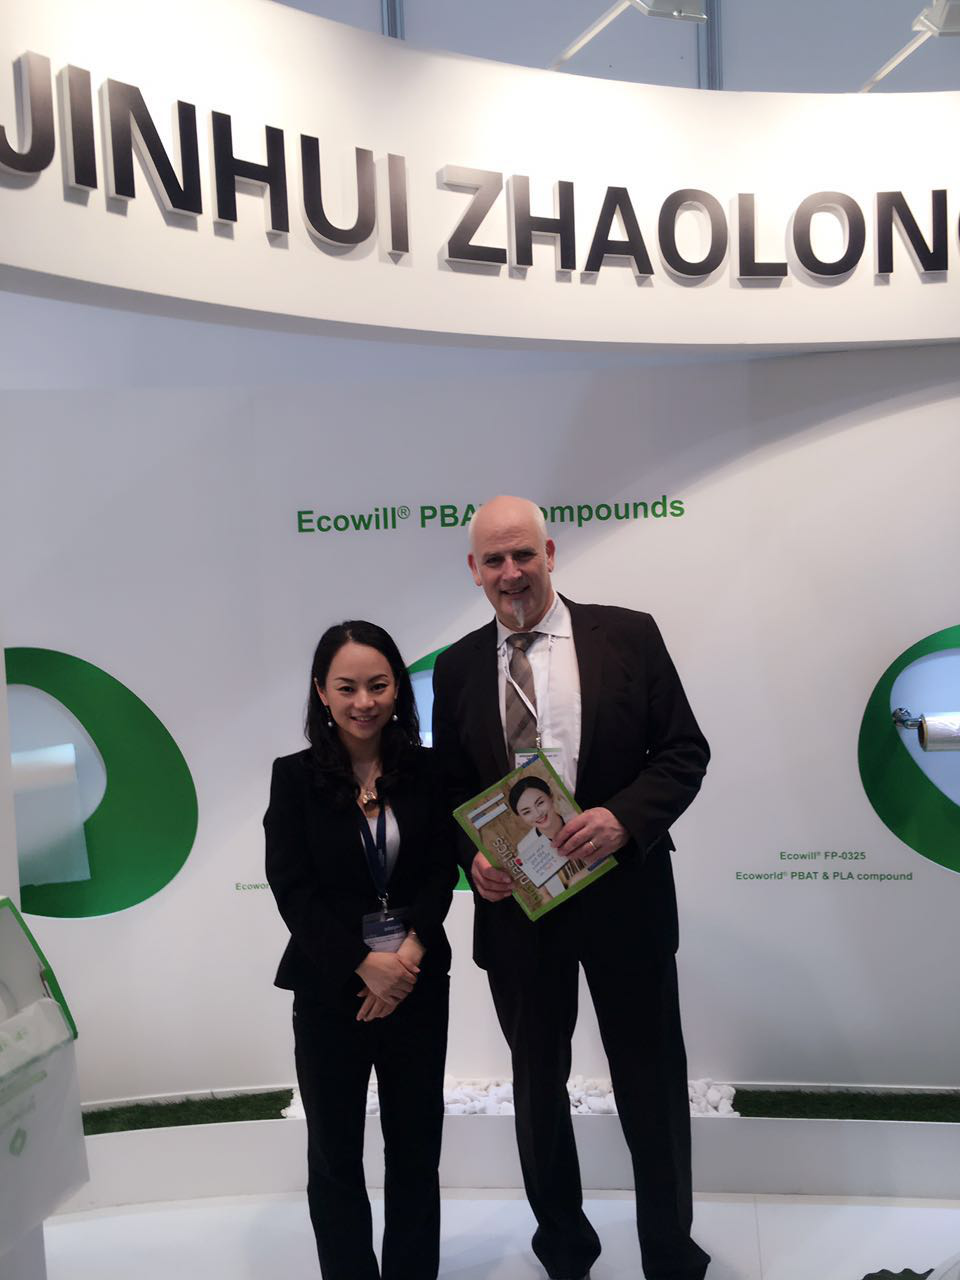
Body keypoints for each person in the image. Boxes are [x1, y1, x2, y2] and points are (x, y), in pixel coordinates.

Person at [432, 496, 711, 1280]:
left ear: (550, 553)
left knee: (651, 1085)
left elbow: (683, 752)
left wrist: (623, 819)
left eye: (523, 554)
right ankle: (563, 1249)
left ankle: (670, 1253)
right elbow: (447, 789)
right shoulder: (456, 666)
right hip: (520, 911)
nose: (511, 572)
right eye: (494, 560)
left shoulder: (629, 635)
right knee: (537, 1092)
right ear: (475, 570)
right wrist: (472, 859)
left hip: (626, 899)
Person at [265, 620, 456, 1280]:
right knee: (334, 1155)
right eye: (346, 687)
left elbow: (440, 872)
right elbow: (291, 888)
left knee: (416, 1152)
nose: (363, 702)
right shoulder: (293, 778)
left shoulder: (428, 771)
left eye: (377, 685)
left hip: (416, 983)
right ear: (322, 691)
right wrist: (363, 963)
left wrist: (405, 958)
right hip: (329, 990)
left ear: (398, 687)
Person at [508, 775, 586, 889]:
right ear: (520, 817)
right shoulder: (524, 847)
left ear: (551, 797)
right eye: (526, 812)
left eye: (540, 803)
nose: (537, 814)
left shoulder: (578, 818)